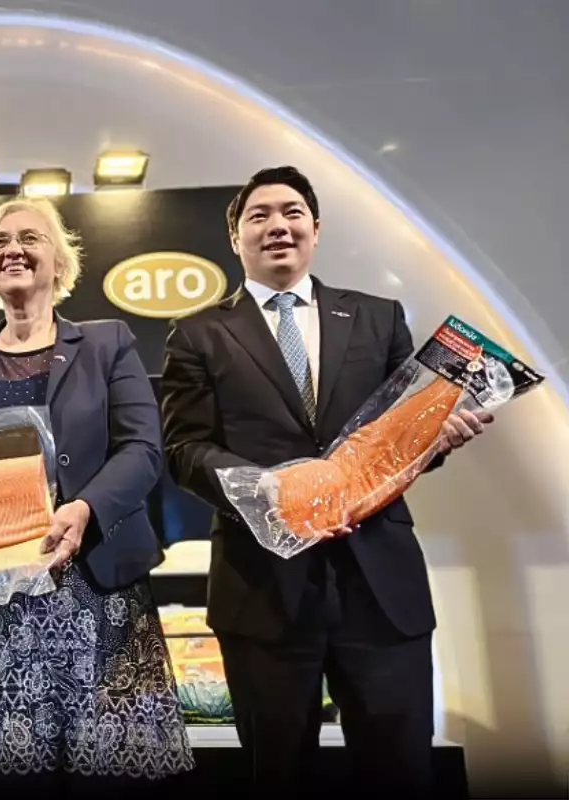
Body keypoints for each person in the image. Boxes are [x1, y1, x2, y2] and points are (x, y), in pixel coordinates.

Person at [160, 165, 493, 797]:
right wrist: (269, 492)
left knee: (400, 773)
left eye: (292, 212)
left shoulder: (377, 318)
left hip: (380, 587)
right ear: (235, 237)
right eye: (258, 216)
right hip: (263, 589)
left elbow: (402, 434)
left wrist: (436, 439)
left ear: (315, 229)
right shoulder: (198, 334)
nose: (277, 226)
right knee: (278, 775)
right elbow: (183, 450)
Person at [0, 197, 195, 798]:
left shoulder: (106, 342)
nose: (13, 250)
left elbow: (143, 449)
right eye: (0, 241)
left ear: (60, 262)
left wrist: (85, 509)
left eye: (30, 238)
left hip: (90, 595)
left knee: (103, 775)